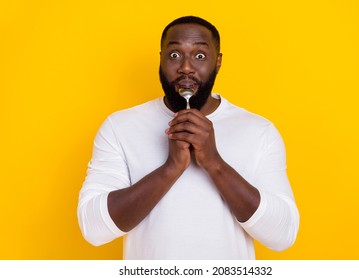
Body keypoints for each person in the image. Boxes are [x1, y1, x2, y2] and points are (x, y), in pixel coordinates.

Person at [77, 16, 299, 259]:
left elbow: (282, 235)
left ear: (218, 62)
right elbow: (94, 229)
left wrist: (215, 163)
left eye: (200, 56)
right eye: (174, 55)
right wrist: (171, 167)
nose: (185, 67)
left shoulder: (259, 131)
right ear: (160, 59)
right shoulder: (119, 127)